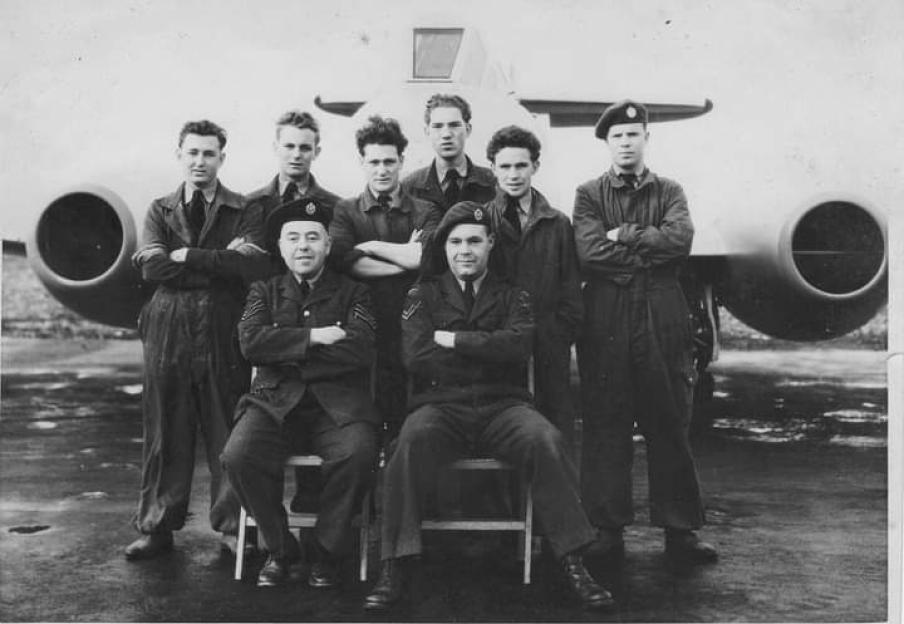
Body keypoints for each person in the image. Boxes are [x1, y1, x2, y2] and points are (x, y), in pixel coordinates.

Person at [363, 202, 614, 612]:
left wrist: (455, 340)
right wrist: (486, 345)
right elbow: (417, 356)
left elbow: (518, 348)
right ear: (444, 247)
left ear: (491, 243)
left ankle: (572, 559)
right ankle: (394, 563)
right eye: (456, 241)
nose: (465, 250)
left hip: (504, 407)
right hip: (440, 406)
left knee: (546, 439)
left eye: (475, 241)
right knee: (407, 445)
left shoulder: (514, 294)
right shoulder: (421, 294)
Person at [572, 100, 718, 564]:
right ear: (607, 143)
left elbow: (680, 243)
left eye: (633, 135)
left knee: (669, 418)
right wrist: (646, 249)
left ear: (646, 139)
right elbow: (590, 252)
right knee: (606, 421)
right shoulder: (589, 193)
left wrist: (624, 235)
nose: (626, 143)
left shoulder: (670, 190)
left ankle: (680, 531)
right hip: (607, 318)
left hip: (662, 315)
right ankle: (606, 527)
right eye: (618, 136)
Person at [221, 197, 379, 588]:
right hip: (275, 403)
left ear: (328, 245)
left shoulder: (354, 292)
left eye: (313, 237)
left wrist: (287, 348)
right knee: (238, 456)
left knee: (358, 454)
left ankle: (326, 552)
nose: (303, 246)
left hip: (337, 406)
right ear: (280, 246)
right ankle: (280, 549)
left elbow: (361, 349)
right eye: (293, 238)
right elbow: (251, 344)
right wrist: (316, 338)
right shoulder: (264, 291)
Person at [126, 120, 265, 560]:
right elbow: (151, 267)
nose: (200, 161)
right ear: (180, 155)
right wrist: (218, 262)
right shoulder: (159, 209)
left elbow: (249, 268)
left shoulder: (245, 209)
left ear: (222, 157)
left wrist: (187, 256)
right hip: (168, 328)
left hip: (225, 328)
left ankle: (230, 526)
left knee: (227, 425)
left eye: (209, 153)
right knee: (166, 427)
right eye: (193, 153)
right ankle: (156, 525)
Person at [245, 110, 342, 512]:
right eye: (289, 146)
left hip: (316, 322)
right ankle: (248, 525)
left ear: (317, 151)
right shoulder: (252, 204)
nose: (297, 154)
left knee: (317, 409)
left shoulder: (334, 206)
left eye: (306, 147)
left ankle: (310, 499)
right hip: (263, 317)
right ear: (276, 148)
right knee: (252, 430)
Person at [329, 115, 441, 437]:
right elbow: (345, 261)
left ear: (402, 161)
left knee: (413, 411)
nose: (382, 169)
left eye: (389, 161)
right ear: (362, 162)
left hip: (414, 322)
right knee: (367, 409)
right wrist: (401, 263)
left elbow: (423, 256)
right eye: (374, 161)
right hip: (366, 321)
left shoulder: (425, 210)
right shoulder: (345, 211)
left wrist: (373, 245)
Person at [483, 125, 582, 449]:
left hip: (548, 346)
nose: (513, 174)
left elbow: (571, 291)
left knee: (554, 427)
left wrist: (557, 335)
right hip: (499, 349)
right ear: (493, 169)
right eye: (505, 166)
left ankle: (557, 500)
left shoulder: (557, 224)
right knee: (505, 430)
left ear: (535, 167)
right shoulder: (483, 222)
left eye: (521, 165)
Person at [401, 93, 496, 214]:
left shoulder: (491, 182)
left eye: (454, 125)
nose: (446, 134)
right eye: (437, 126)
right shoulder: (409, 187)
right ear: (427, 132)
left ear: (468, 129)